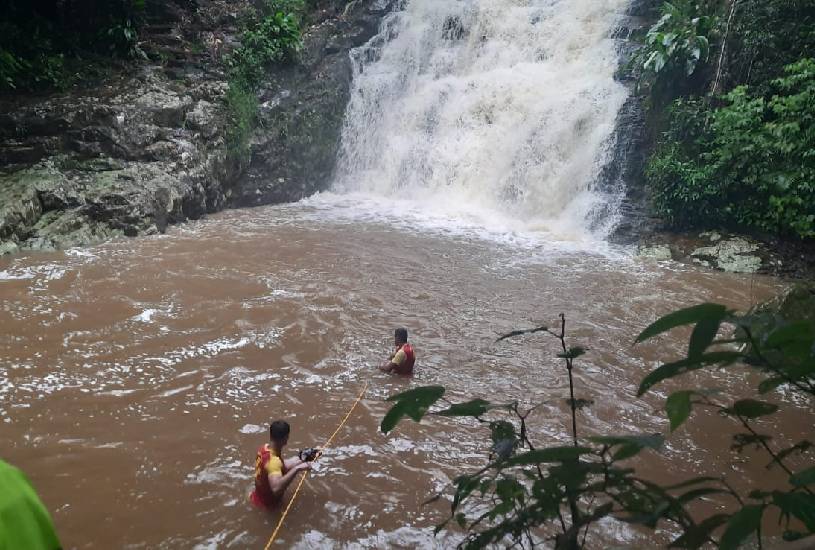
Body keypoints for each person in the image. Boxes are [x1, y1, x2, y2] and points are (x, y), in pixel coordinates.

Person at [249, 420, 313, 509]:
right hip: (268, 506)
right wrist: (297, 469)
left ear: (271, 435)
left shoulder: (264, 449)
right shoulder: (274, 462)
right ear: (286, 438)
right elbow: (276, 489)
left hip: (255, 497)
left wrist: (300, 458)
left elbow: (279, 467)